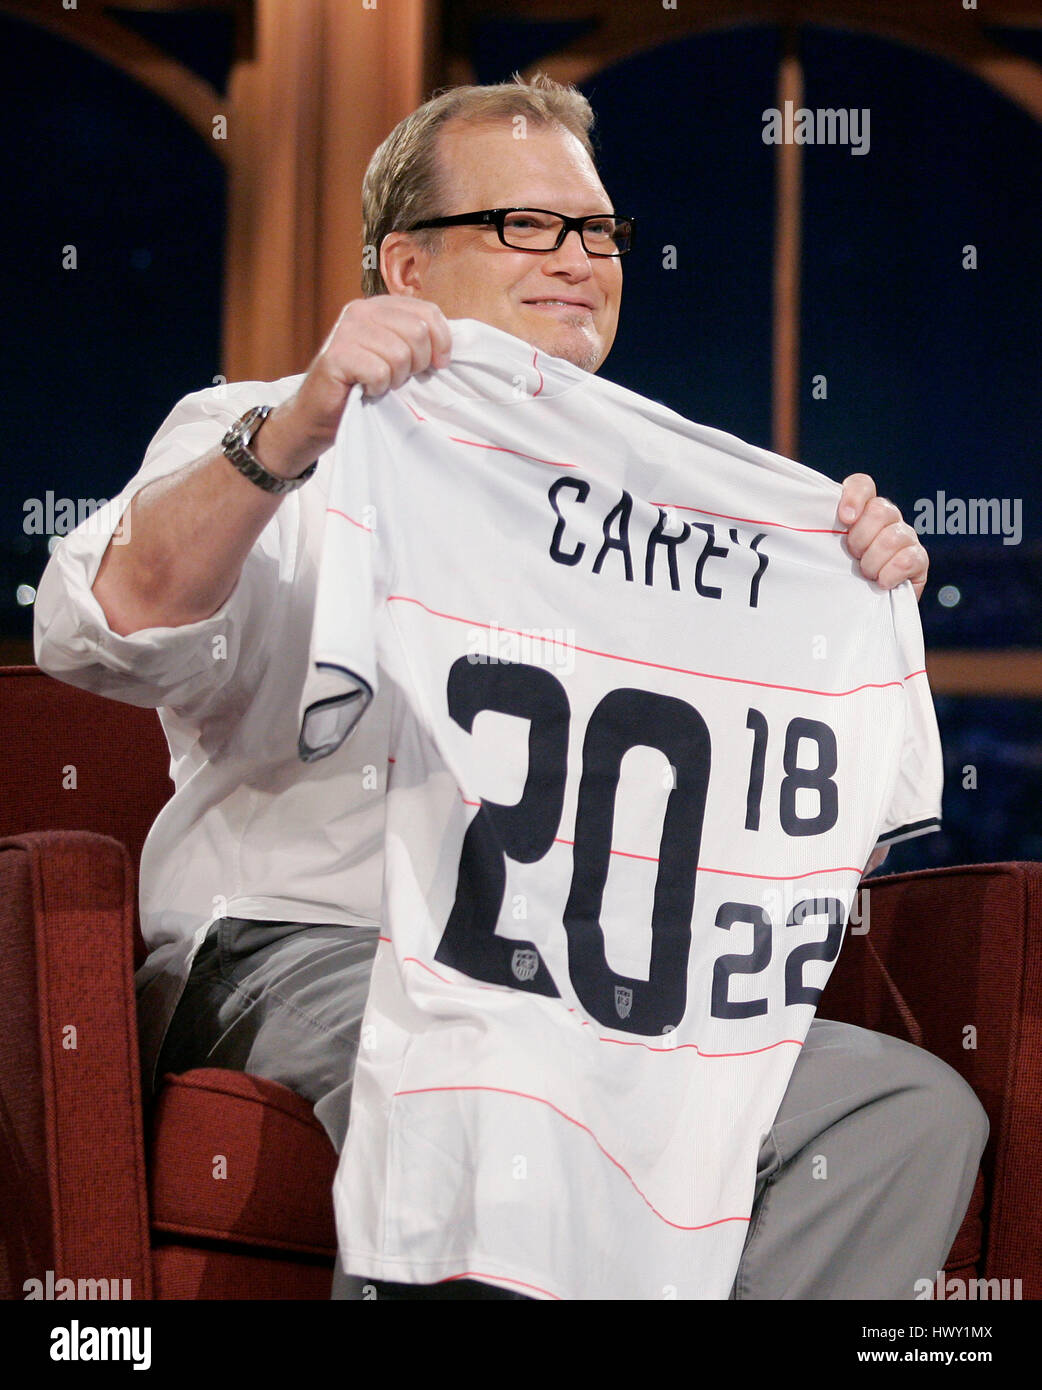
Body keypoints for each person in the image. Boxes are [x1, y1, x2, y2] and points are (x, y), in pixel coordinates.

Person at [34, 74, 986, 1300]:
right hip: (305, 944)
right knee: (500, 1054)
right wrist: (302, 424)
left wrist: (841, 594)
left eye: (595, 232)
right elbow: (100, 627)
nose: (577, 259)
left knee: (906, 1108)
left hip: (591, 977)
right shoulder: (274, 427)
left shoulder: (669, 524)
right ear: (406, 269)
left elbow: (764, 817)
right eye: (523, 225)